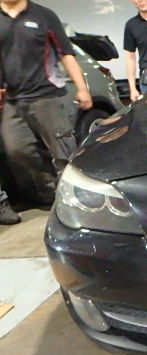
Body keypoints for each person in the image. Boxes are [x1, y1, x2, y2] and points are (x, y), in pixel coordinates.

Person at [0, 0, 92, 204]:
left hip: (47, 95)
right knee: (17, 150)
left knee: (64, 152)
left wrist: (82, 88)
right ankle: (50, 191)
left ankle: (78, 198)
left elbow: (66, 54)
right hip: (13, 100)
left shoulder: (43, 15)